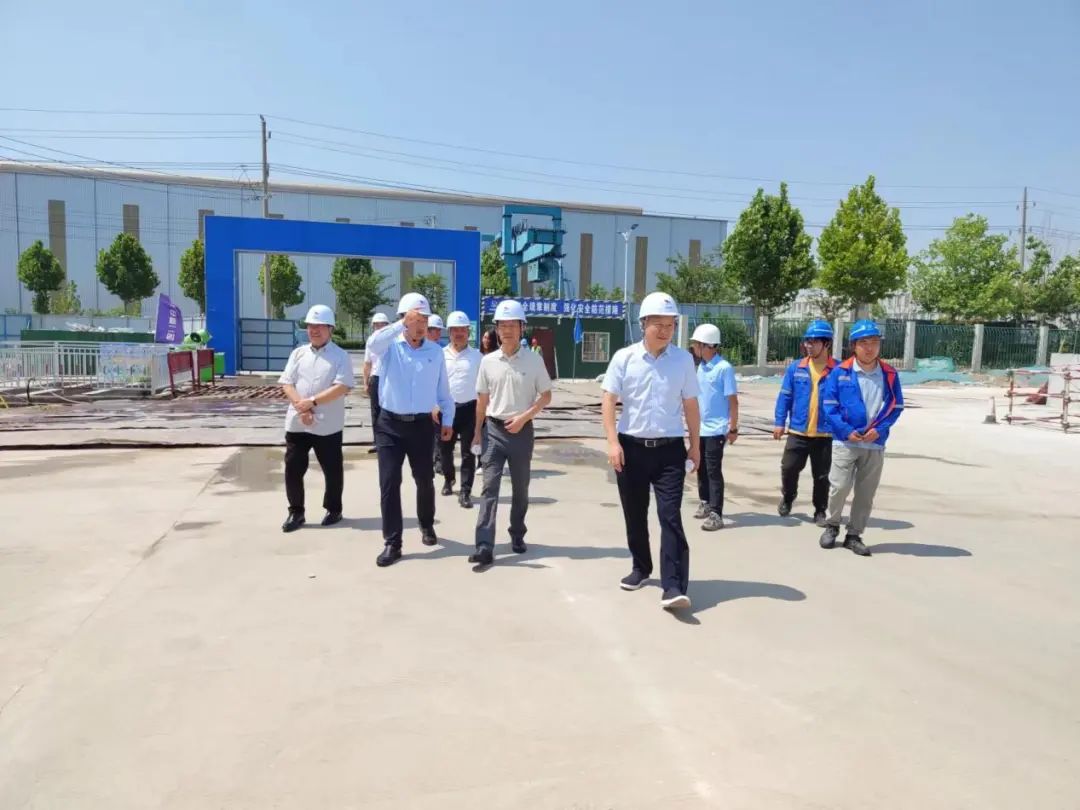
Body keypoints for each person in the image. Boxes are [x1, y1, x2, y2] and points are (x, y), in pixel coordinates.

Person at [601, 291, 700, 611]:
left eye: (671, 324)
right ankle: (641, 567)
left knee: (670, 516)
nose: (665, 330)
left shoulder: (683, 360)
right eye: (659, 324)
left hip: (670, 451)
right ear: (643, 323)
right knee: (635, 513)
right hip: (631, 449)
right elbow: (608, 400)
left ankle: (673, 586)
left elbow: (690, 404)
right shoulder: (624, 358)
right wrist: (613, 442)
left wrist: (695, 446)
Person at [365, 292, 455, 567]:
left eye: (424, 320)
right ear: (404, 320)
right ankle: (393, 542)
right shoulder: (389, 347)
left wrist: (448, 420)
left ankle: (426, 524)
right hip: (389, 426)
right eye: (415, 320)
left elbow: (443, 391)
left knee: (425, 479)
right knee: (389, 482)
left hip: (421, 426)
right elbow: (372, 343)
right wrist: (400, 324)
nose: (420, 325)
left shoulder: (435, 352)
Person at [470, 299, 553, 567]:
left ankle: (517, 533)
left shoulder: (534, 360)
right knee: (489, 488)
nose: (507, 330)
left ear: (521, 328)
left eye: (512, 325)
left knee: (520, 489)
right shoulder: (488, 362)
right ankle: (484, 544)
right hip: (493, 431)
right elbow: (482, 400)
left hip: (522, 432)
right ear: (496, 329)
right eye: (502, 326)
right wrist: (477, 432)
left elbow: (546, 395)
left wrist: (524, 417)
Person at [819, 319, 904, 557]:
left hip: (874, 443)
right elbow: (829, 406)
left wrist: (881, 429)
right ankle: (832, 525)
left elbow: (896, 406)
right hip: (845, 441)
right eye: (864, 343)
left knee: (866, 493)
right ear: (854, 346)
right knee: (839, 487)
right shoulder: (840, 372)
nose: (869, 348)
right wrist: (846, 430)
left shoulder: (889, 374)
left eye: (874, 342)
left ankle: (854, 535)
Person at [278, 305, 355, 532]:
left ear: (331, 328)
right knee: (293, 468)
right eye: (311, 326)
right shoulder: (298, 353)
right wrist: (302, 408)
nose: (314, 330)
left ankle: (334, 509)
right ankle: (296, 512)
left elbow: (342, 387)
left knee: (332, 469)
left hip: (327, 424)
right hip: (298, 423)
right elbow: (287, 383)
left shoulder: (340, 356)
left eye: (320, 326)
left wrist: (312, 402)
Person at [773, 319, 837, 526]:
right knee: (788, 468)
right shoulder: (796, 368)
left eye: (814, 342)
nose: (809, 345)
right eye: (807, 341)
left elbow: (847, 401)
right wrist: (779, 422)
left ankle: (820, 510)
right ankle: (788, 497)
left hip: (825, 433)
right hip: (798, 431)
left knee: (822, 476)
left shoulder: (838, 370)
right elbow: (785, 396)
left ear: (826, 344)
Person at [689, 323, 738, 531]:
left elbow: (733, 401)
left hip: (716, 429)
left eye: (696, 344)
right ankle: (705, 502)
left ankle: (717, 513)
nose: (693, 348)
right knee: (700, 468)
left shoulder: (724, 368)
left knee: (713, 471)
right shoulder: (701, 367)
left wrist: (733, 428)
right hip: (701, 428)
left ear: (707, 345)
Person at [439, 311, 482, 508]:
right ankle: (449, 479)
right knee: (445, 450)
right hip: (445, 410)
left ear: (468, 332)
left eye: (462, 330)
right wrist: (434, 406)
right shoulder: (440, 355)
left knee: (468, 453)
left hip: (469, 410)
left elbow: (483, 388)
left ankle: (465, 491)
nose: (459, 333)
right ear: (449, 332)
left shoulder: (477, 357)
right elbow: (432, 383)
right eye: (455, 330)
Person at [363, 311, 391, 455]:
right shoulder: (371, 341)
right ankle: (377, 442)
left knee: (389, 410)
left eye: (382, 324)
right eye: (377, 325)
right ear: (373, 326)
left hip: (389, 379)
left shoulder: (392, 339)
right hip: (375, 378)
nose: (379, 327)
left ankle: (389, 441)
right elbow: (367, 363)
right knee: (376, 412)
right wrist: (365, 382)